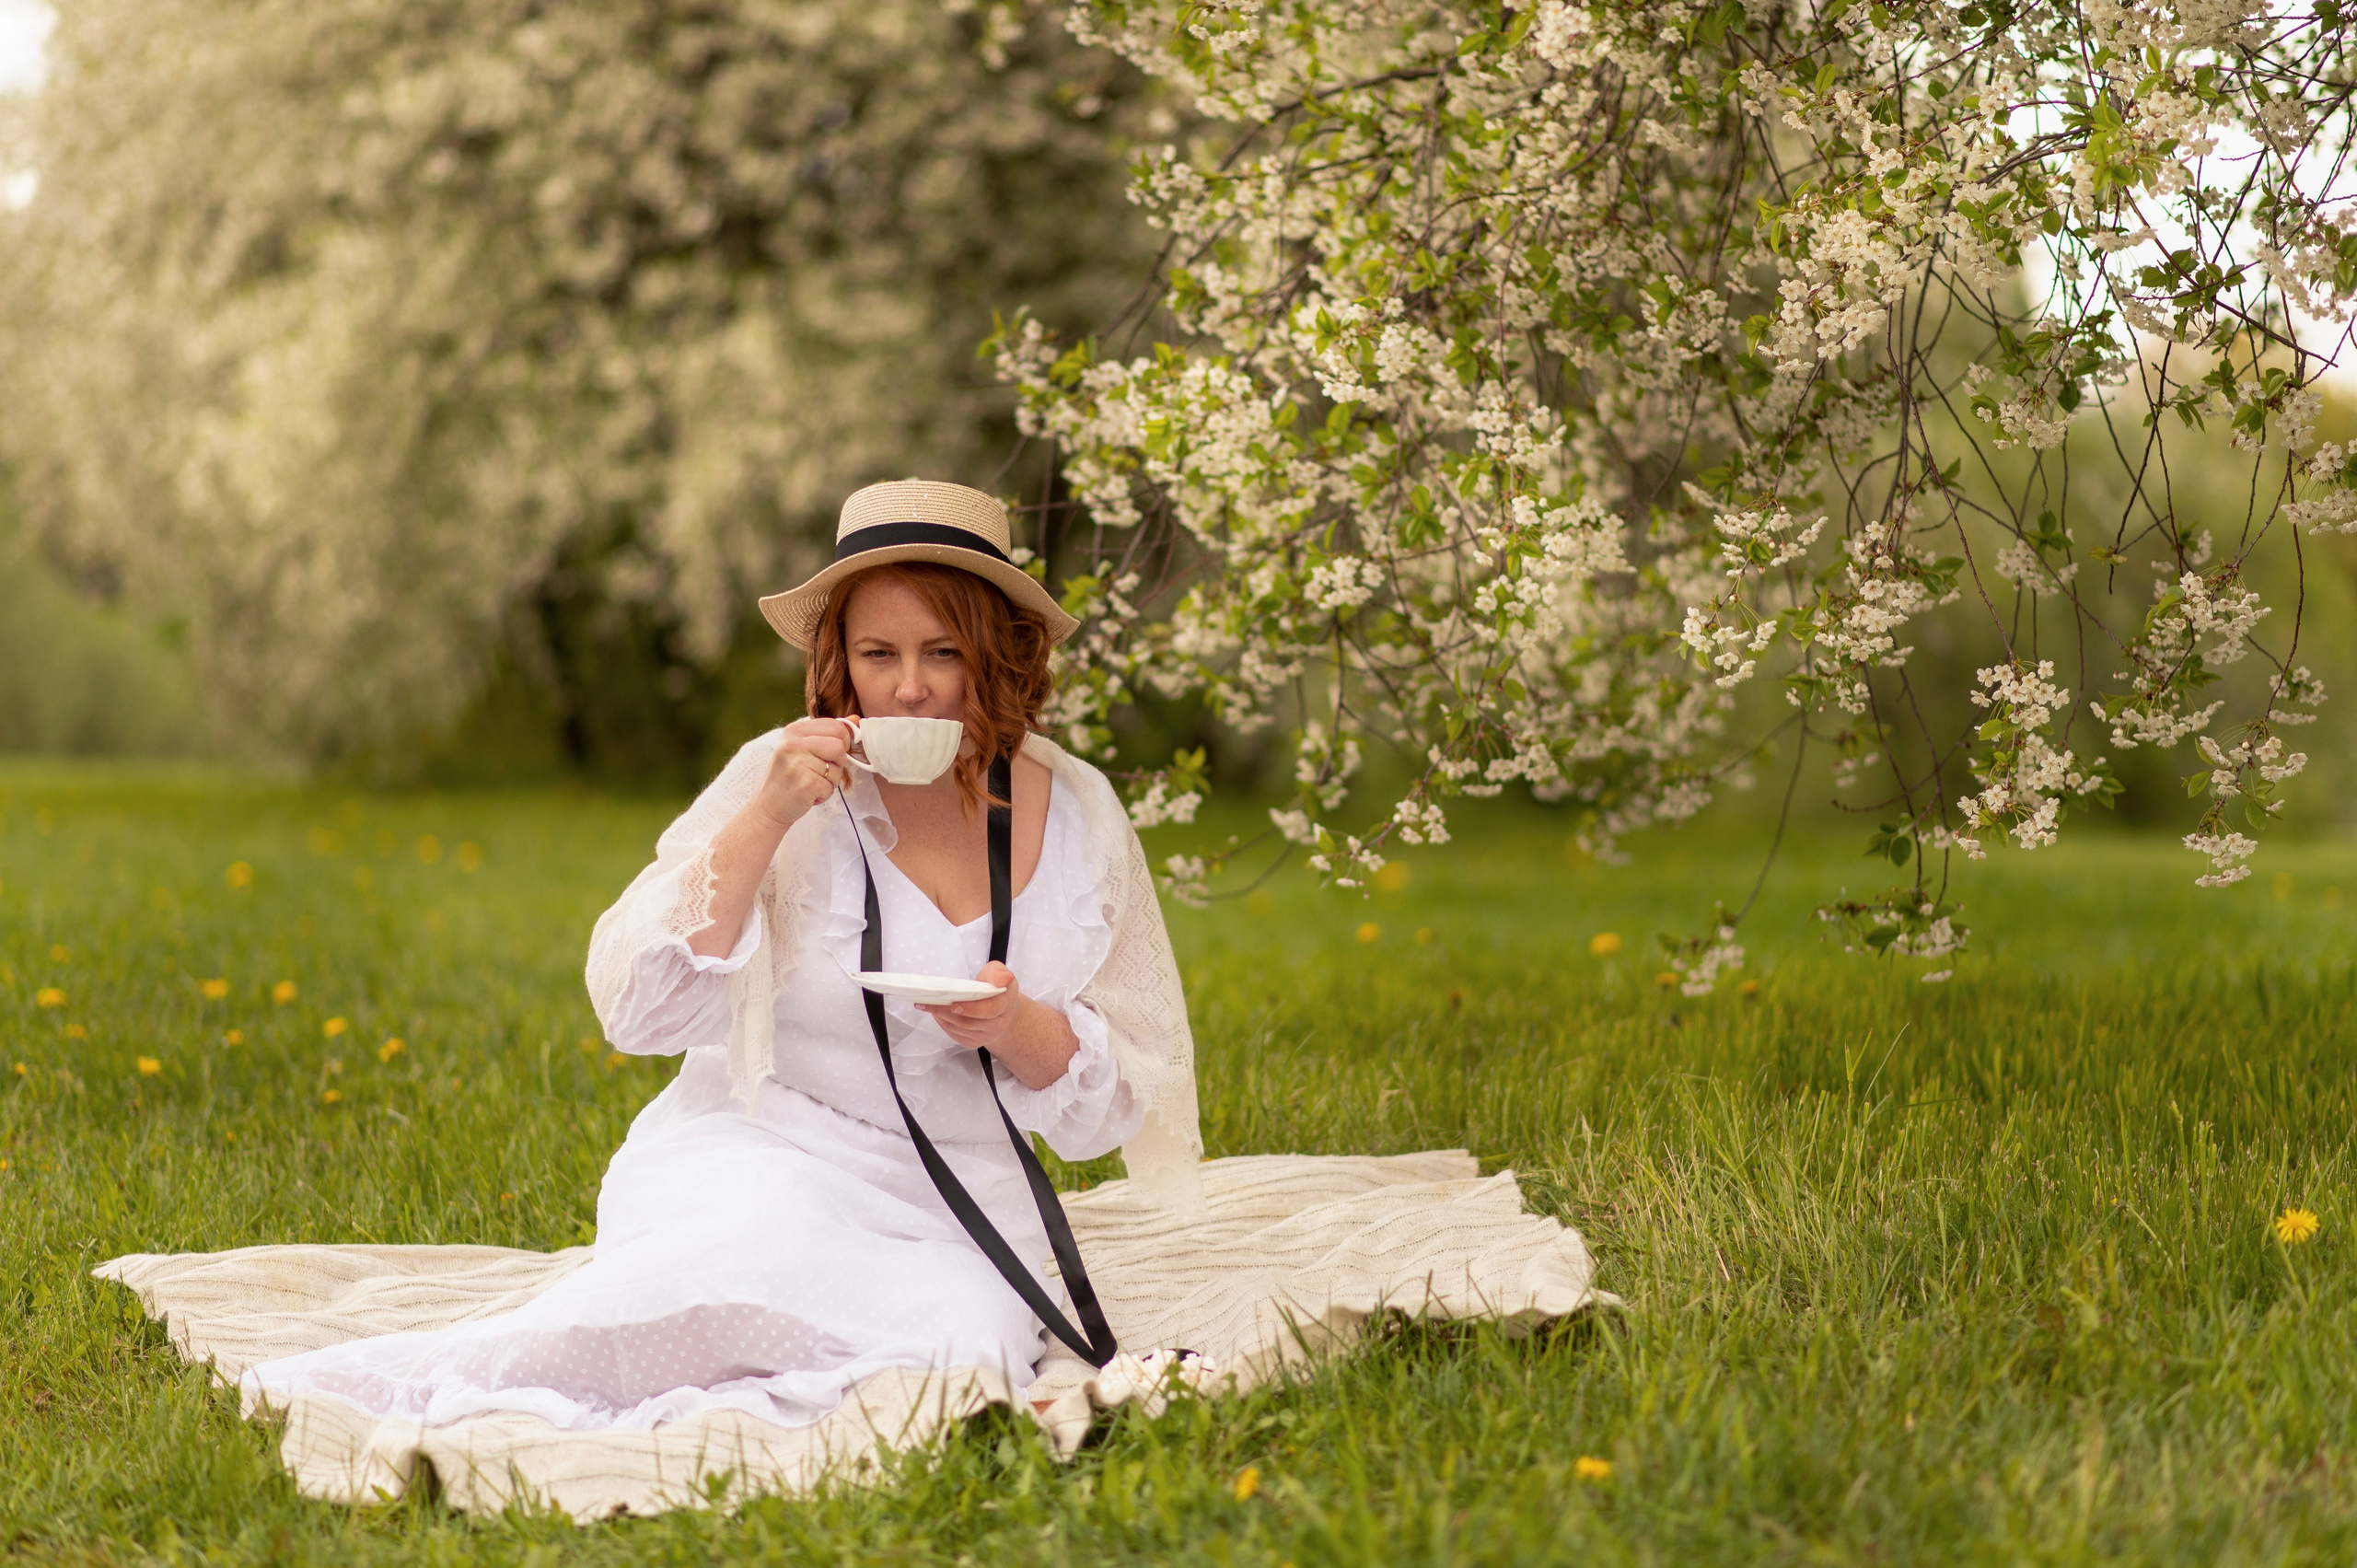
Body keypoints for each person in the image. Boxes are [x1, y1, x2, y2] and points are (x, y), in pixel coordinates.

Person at [239, 480, 1202, 1434]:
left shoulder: (1076, 813)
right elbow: (639, 1008)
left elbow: (1122, 1103)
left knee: (959, 1338)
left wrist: (1020, 1026)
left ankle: (769, 1397)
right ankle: (451, 1383)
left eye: (942, 653)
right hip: (766, 1146)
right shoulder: (780, 774)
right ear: (841, 663)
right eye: (879, 654)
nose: (909, 686)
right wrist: (771, 812)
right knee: (730, 1269)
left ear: (998, 653)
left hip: (955, 1196)